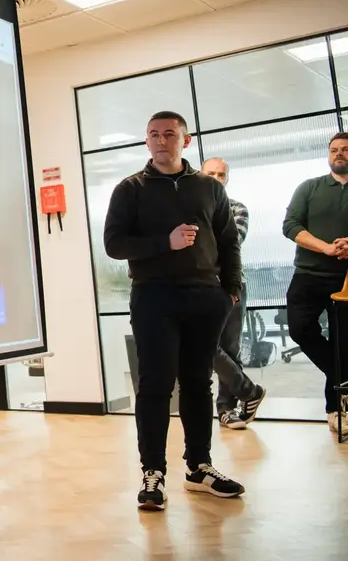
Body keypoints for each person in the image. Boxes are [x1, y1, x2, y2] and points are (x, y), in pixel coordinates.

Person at [104, 111, 245, 512]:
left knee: (199, 385)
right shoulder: (130, 189)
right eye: (153, 135)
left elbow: (229, 242)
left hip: (205, 297)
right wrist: (164, 243)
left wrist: (230, 291)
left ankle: (199, 467)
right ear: (146, 142)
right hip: (153, 298)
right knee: (155, 386)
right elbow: (114, 244)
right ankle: (153, 473)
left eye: (169, 134)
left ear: (186, 140)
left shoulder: (208, 188)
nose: (161, 141)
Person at [283, 132, 348, 437]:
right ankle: (341, 377)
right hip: (308, 275)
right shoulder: (309, 187)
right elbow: (291, 226)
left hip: (346, 281)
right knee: (299, 329)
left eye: (345, 149)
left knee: (343, 345)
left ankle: (336, 409)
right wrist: (325, 247)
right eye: (334, 149)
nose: (339, 154)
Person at [200, 158, 266, 429]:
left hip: (231, 283)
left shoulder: (237, 208)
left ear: (227, 179)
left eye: (221, 174)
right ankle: (250, 391)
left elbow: (231, 242)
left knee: (229, 347)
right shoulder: (190, 208)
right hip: (198, 285)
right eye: (210, 173)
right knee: (204, 345)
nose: (216, 178)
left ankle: (226, 410)